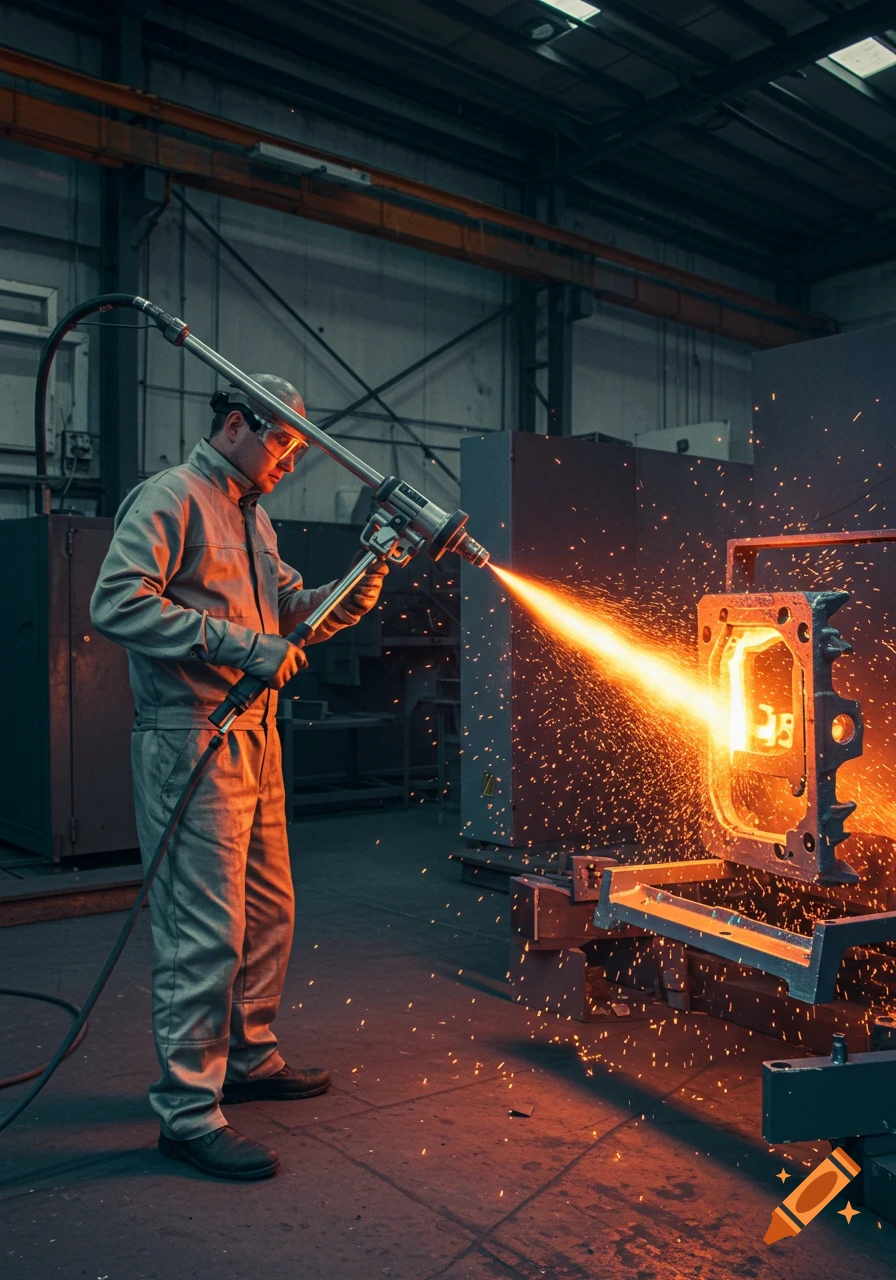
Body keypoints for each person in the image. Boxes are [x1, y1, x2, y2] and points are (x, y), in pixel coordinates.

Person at [91, 375, 387, 1181]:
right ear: (234, 424)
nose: (289, 462)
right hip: (191, 737)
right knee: (204, 931)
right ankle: (187, 1112)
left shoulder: (251, 519)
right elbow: (115, 603)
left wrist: (367, 574)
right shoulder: (171, 497)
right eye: (282, 444)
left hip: (255, 740)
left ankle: (249, 1058)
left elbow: (294, 609)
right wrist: (240, 647)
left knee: (267, 911)